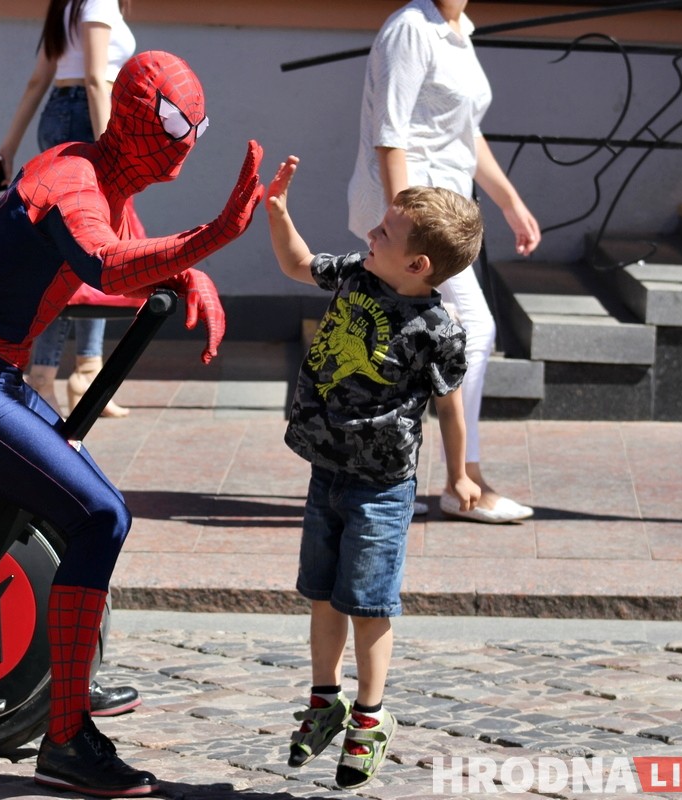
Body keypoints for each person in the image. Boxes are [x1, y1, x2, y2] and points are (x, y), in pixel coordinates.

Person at [0, 50, 263, 797]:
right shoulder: (74, 181)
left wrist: (182, 270)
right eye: (173, 121)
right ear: (134, 119)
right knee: (100, 514)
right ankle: (65, 738)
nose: (187, 139)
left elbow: (117, 259)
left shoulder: (101, 176)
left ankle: (64, 689)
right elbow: (101, 261)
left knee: (94, 507)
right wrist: (208, 240)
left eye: (197, 125)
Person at [267, 155, 481, 789]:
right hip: (325, 471)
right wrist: (279, 215)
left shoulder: (436, 329)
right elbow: (299, 264)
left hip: (381, 487)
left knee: (368, 602)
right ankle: (324, 699)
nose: (370, 236)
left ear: (419, 265)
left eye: (384, 232)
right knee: (322, 591)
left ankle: (370, 716)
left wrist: (460, 473)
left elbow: (449, 403)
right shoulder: (358, 276)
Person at [347, 0, 541, 523]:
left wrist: (509, 201)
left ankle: (401, 472)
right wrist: (402, 231)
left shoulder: (459, 30)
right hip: (414, 218)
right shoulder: (411, 29)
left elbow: (465, 132)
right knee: (472, 329)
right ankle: (463, 480)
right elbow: (391, 135)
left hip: (439, 214)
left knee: (422, 337)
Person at [0, 0, 140, 419]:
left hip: (62, 113)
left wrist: (7, 148)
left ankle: (81, 371)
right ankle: (51, 376)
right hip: (87, 117)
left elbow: (39, 80)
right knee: (89, 250)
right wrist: (112, 146)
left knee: (82, 248)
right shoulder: (99, 0)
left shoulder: (68, 3)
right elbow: (94, 79)